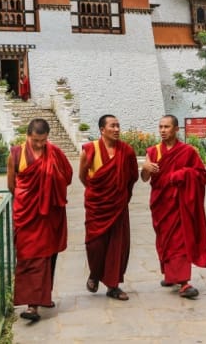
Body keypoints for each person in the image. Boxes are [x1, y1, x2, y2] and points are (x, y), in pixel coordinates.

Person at [7, 118, 73, 321]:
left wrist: (52, 182)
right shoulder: (16, 154)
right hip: (27, 214)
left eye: (42, 140)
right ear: (28, 136)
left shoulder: (54, 153)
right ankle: (32, 305)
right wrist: (28, 197)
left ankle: (42, 298)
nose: (39, 144)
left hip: (50, 214)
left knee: (48, 256)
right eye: (35, 140)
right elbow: (12, 185)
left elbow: (68, 177)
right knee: (28, 257)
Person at [140, 115, 206, 299]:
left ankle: (184, 282)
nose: (163, 130)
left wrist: (183, 174)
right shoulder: (153, 151)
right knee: (164, 240)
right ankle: (171, 275)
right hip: (161, 204)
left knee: (179, 240)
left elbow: (201, 175)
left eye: (167, 127)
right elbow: (144, 178)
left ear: (176, 129)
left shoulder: (188, 152)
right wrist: (146, 168)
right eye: (160, 127)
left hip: (180, 205)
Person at [79, 114, 138, 301]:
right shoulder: (89, 150)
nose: (117, 129)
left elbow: (132, 177)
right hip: (97, 205)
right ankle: (95, 273)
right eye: (112, 126)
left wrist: (120, 194)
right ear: (102, 130)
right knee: (95, 244)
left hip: (118, 205)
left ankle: (113, 285)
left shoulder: (127, 151)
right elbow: (83, 177)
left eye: (118, 125)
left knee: (117, 246)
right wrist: (96, 191)